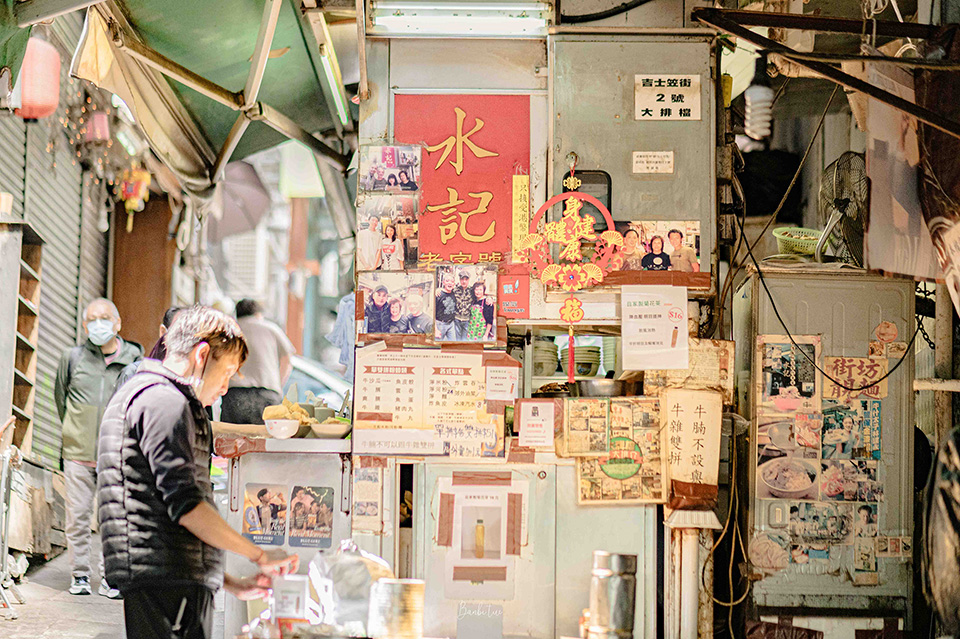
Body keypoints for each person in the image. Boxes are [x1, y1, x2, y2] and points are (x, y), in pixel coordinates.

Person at [98, 306, 298, 639]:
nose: (224, 388)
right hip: (166, 586)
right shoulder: (164, 401)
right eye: (227, 372)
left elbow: (165, 513)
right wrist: (259, 554)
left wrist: (230, 583)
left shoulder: (154, 396)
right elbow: (186, 506)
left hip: (169, 581)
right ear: (202, 354)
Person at [55, 298, 142, 599]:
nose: (98, 324)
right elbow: (61, 399)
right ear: (84, 325)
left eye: (104, 318)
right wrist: (74, 432)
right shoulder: (72, 358)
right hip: (78, 453)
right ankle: (80, 575)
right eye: (92, 319)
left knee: (112, 520)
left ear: (118, 323)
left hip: (114, 452)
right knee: (77, 517)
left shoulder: (134, 359)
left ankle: (110, 578)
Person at [221, 300, 295, 425]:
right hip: (267, 394)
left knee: (231, 439)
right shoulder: (272, 328)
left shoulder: (230, 330)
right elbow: (287, 361)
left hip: (235, 395)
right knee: (266, 440)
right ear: (258, 314)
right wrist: (278, 385)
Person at [115, 307, 185, 391]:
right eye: (180, 333)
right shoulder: (133, 373)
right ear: (163, 332)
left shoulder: (197, 380)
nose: (188, 341)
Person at [435, 272, 458, 341]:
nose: (450, 283)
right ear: (443, 282)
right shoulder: (438, 295)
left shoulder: (454, 293)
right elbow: (432, 313)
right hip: (440, 324)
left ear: (454, 284)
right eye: (447, 281)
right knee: (438, 345)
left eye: (452, 281)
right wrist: (435, 329)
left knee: (452, 344)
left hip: (451, 323)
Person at [454, 270, 476, 341]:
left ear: (468, 280)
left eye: (466, 279)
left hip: (467, 320)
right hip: (456, 319)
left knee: (464, 340)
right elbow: (446, 292)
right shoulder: (455, 290)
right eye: (462, 279)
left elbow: (481, 295)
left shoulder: (472, 290)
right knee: (457, 340)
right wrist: (438, 290)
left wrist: (489, 299)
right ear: (459, 280)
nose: (464, 281)